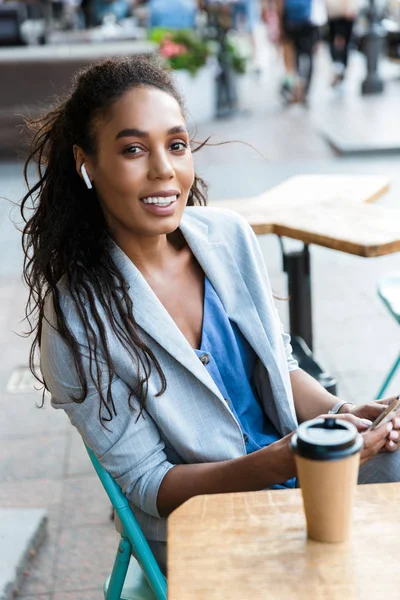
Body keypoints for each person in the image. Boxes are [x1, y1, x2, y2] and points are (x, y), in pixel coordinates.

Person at [21, 55, 400, 575]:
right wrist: (287, 459)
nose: (164, 170)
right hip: (206, 518)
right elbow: (151, 485)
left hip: (302, 474)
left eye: (176, 145)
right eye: (133, 149)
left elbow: (280, 369)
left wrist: (347, 418)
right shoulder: (75, 319)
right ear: (86, 162)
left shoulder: (229, 237)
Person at [326, 0, 358, 87]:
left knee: (341, 43)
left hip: (340, 13)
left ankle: (340, 69)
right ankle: (339, 68)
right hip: (337, 13)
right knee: (339, 42)